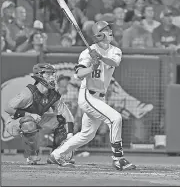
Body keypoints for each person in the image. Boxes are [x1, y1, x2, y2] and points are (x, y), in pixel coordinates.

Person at [48, 20, 136, 171]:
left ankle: (57, 154)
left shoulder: (115, 50)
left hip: (100, 97)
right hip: (88, 95)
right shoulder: (87, 53)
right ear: (99, 34)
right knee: (115, 118)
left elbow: (114, 63)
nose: (110, 32)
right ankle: (118, 158)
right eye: (106, 29)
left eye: (109, 29)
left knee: (87, 134)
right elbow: (79, 74)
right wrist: (92, 66)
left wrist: (100, 58)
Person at [4, 63, 75, 167]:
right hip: (15, 123)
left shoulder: (53, 94)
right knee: (28, 122)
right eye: (49, 74)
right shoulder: (28, 92)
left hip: (37, 120)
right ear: (40, 75)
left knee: (61, 120)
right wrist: (30, 115)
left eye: (52, 74)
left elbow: (67, 115)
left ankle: (56, 155)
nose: (52, 77)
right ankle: (32, 155)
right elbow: (7, 108)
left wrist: (70, 135)